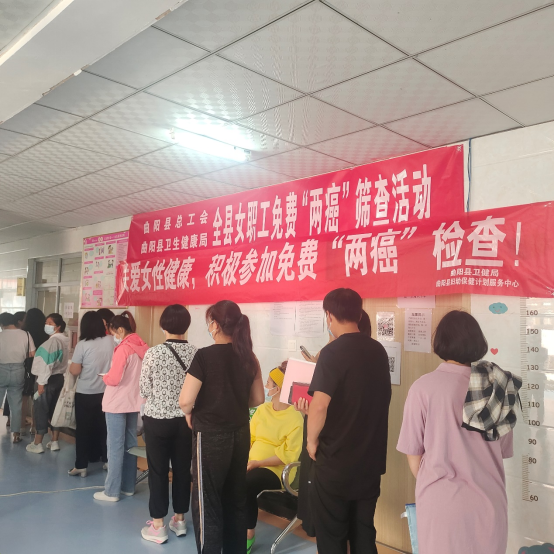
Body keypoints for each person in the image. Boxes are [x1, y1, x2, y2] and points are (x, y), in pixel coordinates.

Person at [397, 311, 515, 554]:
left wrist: (434, 483)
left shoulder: (422, 388)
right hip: (489, 504)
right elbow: (501, 450)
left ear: (440, 342)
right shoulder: (499, 389)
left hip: (441, 505)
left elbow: (413, 454)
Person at [306, 289, 391, 554]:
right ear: (359, 313)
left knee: (332, 536)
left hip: (336, 463)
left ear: (329, 315)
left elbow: (320, 405)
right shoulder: (378, 351)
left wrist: (311, 441)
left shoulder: (332, 352)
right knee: (364, 533)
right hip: (370, 462)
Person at [179, 300, 265, 554]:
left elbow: (185, 401)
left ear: (215, 325)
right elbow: (258, 399)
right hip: (240, 434)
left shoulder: (205, 356)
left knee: (207, 501)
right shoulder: (249, 357)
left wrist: (190, 412)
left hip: (210, 436)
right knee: (235, 499)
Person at [296, 308, 372, 538]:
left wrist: (311, 439)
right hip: (347, 447)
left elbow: (327, 407)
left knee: (334, 518)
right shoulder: (366, 355)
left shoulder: (341, 356)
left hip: (331, 447)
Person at [139, 305, 197, 544]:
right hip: (186, 421)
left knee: (158, 471)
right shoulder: (196, 353)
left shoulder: (153, 353)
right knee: (183, 471)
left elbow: (144, 389)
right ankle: (180, 520)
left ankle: (158, 525)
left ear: (163, 326)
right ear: (187, 326)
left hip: (157, 421)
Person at [246, 361, 303, 553]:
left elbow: (288, 455)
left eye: (269, 383)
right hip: (252, 464)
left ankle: (248, 534)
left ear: (278, 388)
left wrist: (258, 463)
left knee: (247, 483)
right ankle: (232, 525)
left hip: (277, 470)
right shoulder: (262, 410)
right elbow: (249, 438)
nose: (265, 385)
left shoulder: (295, 418)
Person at [94, 311, 148, 502]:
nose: (113, 337)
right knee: (130, 445)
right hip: (134, 402)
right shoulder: (143, 347)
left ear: (121, 330)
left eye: (113, 333)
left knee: (115, 446)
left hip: (116, 403)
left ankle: (111, 491)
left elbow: (115, 379)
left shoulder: (123, 349)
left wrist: (105, 377)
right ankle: (128, 487)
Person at [68, 311, 114, 477]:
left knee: (83, 430)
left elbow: (75, 370)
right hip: (106, 392)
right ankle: (108, 461)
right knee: (105, 428)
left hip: (85, 393)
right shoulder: (111, 341)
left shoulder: (82, 345)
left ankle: (81, 465)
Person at [27, 313, 70, 454]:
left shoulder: (53, 342)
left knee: (41, 410)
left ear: (58, 326)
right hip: (59, 379)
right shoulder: (65, 340)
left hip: (46, 380)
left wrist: (41, 384)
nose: (47, 325)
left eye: (50, 323)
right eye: (46, 322)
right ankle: (54, 441)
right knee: (55, 411)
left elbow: (47, 364)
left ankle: (37, 443)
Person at [0, 312, 36, 443]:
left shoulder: (1, 335)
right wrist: (19, 356)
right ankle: (16, 434)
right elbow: (32, 353)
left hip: (1, 369)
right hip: (19, 370)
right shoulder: (25, 334)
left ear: (2, 323)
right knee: (16, 403)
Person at [20, 308, 50, 436]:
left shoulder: (24, 333)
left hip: (26, 367)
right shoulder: (45, 335)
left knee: (23, 398)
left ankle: (21, 426)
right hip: (40, 368)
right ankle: (34, 426)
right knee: (36, 397)